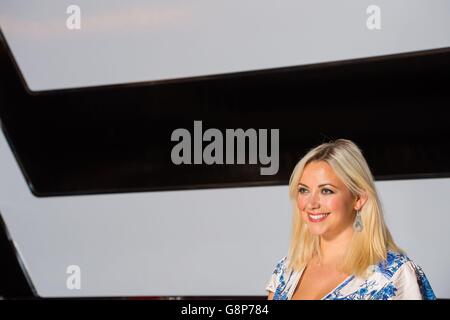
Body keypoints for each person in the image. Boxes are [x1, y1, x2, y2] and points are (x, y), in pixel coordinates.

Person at [266, 139, 436, 300]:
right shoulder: (287, 269)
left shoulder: (394, 276)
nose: (311, 203)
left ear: (358, 199)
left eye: (326, 191)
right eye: (304, 190)